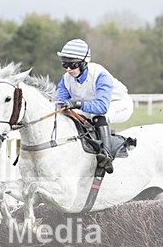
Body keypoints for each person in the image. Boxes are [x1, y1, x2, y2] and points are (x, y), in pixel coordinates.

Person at [55, 38, 134, 173]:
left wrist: (76, 104)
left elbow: (102, 107)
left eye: (72, 65)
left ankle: (106, 156)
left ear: (84, 63)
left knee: (97, 115)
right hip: (90, 105)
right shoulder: (66, 78)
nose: (68, 69)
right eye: (65, 65)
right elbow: (59, 103)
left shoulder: (100, 75)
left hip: (118, 105)